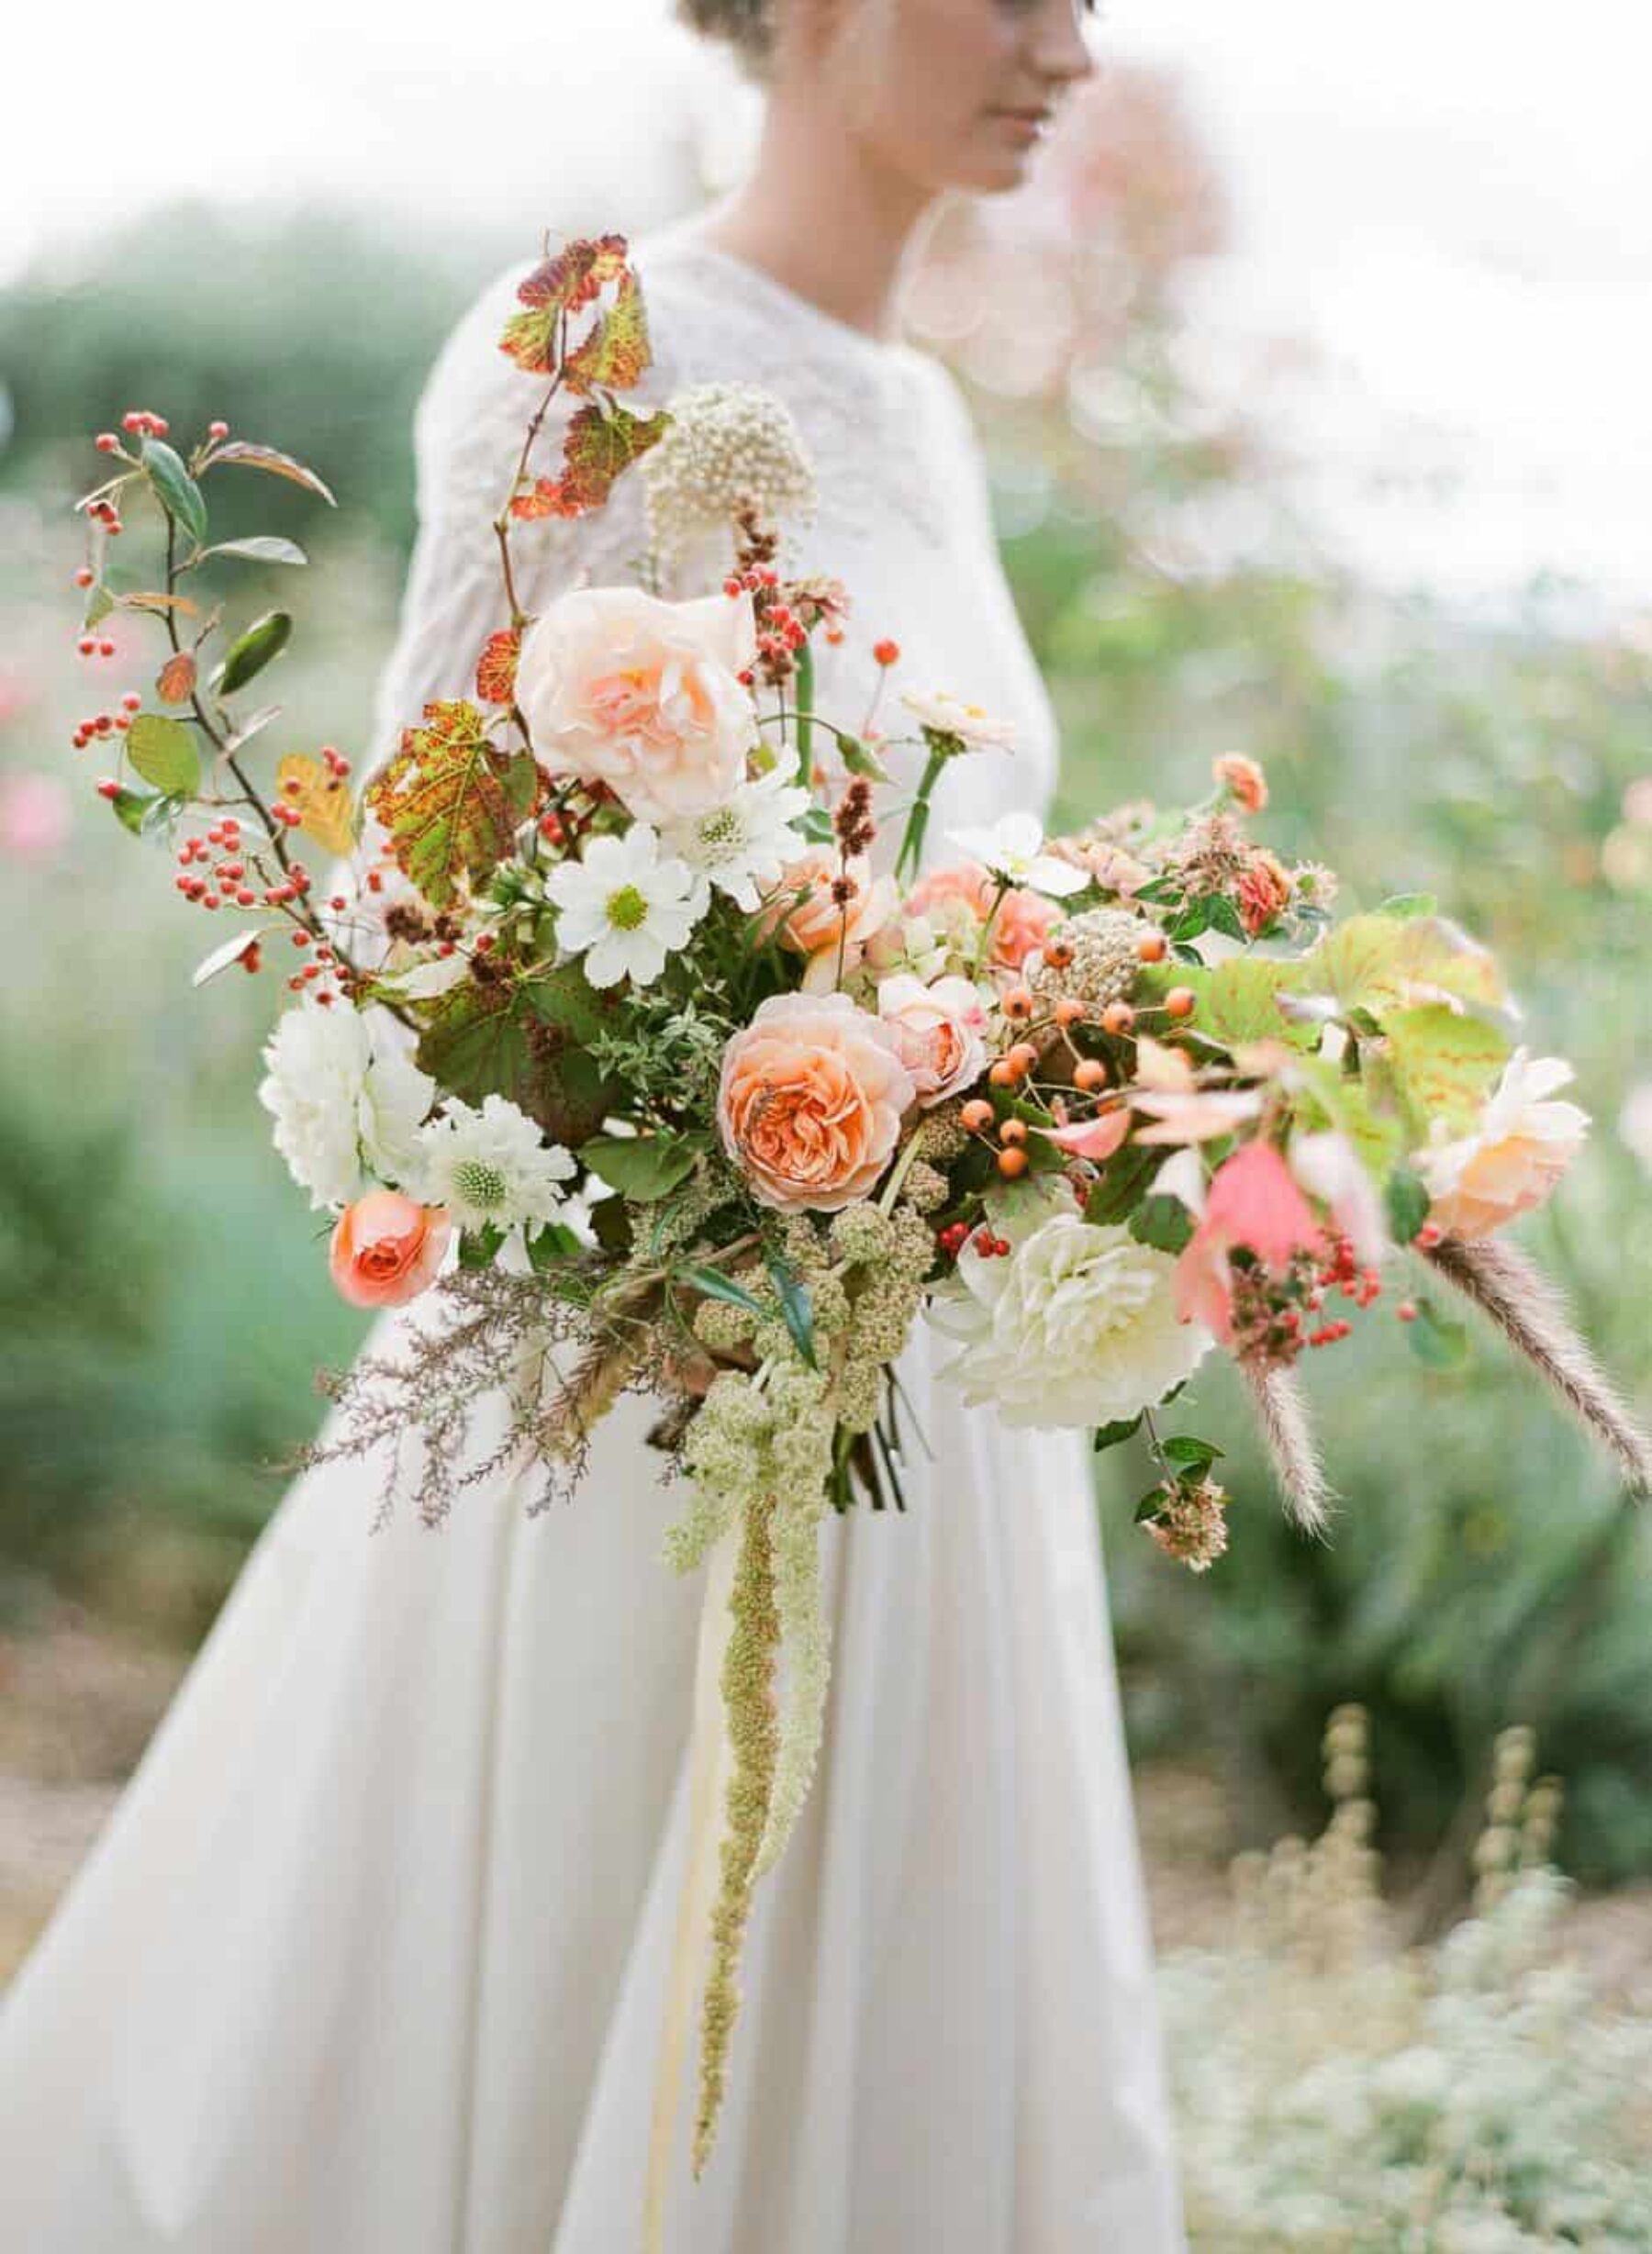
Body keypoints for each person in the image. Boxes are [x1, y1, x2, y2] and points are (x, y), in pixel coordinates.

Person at [0, 2, 1189, 2246]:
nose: (1069, 42)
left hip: (924, 1382)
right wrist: (690, 1108)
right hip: (651, 1360)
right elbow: (422, 893)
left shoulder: (921, 409)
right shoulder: (592, 346)